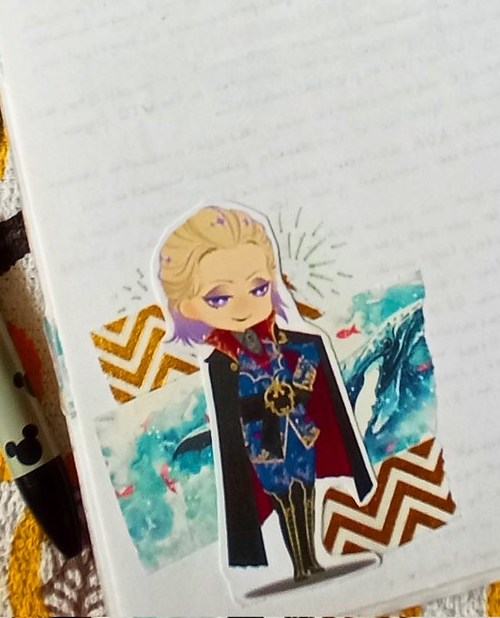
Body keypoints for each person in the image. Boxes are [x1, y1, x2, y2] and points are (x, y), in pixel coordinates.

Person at [157, 204, 373, 581]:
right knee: (283, 497)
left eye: (258, 288)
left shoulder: (290, 343)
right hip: (262, 441)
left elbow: (308, 377)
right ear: (187, 306)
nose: (244, 305)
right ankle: (300, 563)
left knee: (305, 490)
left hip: (299, 433)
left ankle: (310, 559)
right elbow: (232, 413)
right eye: (219, 299)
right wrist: (265, 402)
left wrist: (297, 388)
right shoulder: (220, 364)